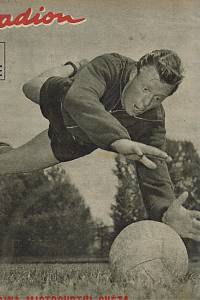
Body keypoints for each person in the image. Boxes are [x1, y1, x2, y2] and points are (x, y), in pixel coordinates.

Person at [1, 49, 200, 241]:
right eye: (145, 88)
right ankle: (74, 67)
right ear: (133, 73)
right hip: (65, 102)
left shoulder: (152, 120)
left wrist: (166, 210)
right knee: (29, 87)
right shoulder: (111, 65)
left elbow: (154, 167)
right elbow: (80, 98)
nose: (144, 103)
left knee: (4, 164)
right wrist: (118, 140)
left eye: (158, 98)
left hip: (73, 141)